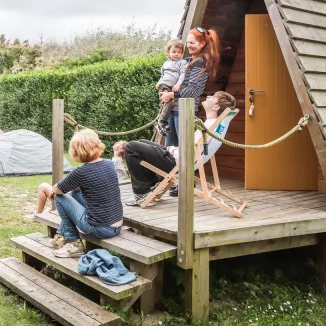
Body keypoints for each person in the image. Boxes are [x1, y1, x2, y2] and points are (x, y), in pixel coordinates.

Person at [124, 91, 236, 206]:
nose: (208, 96)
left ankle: (141, 193)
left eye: (212, 97)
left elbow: (191, 147)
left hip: (176, 162)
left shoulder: (209, 126)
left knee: (131, 147)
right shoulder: (214, 124)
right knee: (141, 142)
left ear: (216, 107)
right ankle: (153, 185)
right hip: (179, 157)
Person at [37, 129, 123, 258]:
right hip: (117, 226)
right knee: (75, 194)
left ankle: (74, 243)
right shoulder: (109, 164)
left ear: (76, 151)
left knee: (59, 197)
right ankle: (61, 235)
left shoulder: (80, 172)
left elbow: (57, 190)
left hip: (99, 229)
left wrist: (54, 192)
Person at [160, 27, 221, 147]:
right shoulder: (187, 61)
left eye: (192, 42)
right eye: (187, 42)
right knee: (170, 149)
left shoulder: (200, 62)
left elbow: (193, 91)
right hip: (174, 108)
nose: (188, 45)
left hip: (185, 111)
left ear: (202, 43)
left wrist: (171, 95)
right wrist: (165, 89)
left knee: (185, 149)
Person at [155, 39, 187, 136]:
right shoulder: (165, 63)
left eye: (179, 52)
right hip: (164, 86)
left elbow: (182, 74)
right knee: (167, 103)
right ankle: (162, 121)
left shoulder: (183, 62)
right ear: (168, 52)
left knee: (170, 104)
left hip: (173, 87)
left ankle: (160, 122)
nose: (176, 54)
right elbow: (162, 75)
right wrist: (159, 82)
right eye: (174, 52)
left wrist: (178, 84)